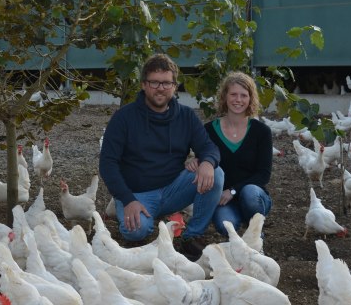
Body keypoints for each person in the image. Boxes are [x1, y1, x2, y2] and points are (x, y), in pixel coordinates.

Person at [99, 53, 223, 261]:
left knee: (216, 174)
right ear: (144, 85)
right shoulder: (124, 118)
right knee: (135, 232)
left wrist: (208, 162)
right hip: (136, 194)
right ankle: (137, 213)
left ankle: (191, 236)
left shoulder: (186, 116)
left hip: (173, 188)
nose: (160, 88)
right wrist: (127, 199)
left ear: (174, 86)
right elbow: (107, 164)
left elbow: (208, 147)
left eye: (166, 83)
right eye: (154, 82)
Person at [204, 71, 273, 237]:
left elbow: (263, 175)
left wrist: (233, 190)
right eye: (233, 94)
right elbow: (203, 160)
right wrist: (196, 161)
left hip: (253, 197)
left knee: (249, 193)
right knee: (224, 225)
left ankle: (256, 233)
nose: (238, 100)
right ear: (224, 97)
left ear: (250, 99)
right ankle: (238, 237)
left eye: (244, 95)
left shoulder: (261, 131)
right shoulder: (208, 130)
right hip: (223, 200)